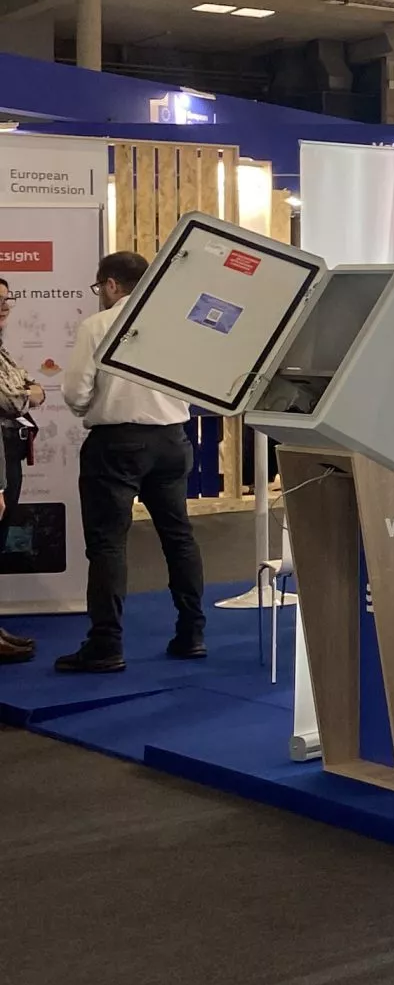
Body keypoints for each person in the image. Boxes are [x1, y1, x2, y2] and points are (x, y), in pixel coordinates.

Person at [56, 252, 207, 674]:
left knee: (108, 542)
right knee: (179, 536)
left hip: (117, 443)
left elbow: (75, 391)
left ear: (111, 284)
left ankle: (106, 644)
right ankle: (192, 633)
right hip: (172, 438)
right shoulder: (178, 324)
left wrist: (90, 407)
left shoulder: (98, 325)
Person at [0, 277, 45, 665]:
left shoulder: (2, 349)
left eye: (6, 300)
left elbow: (28, 384)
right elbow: (13, 398)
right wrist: (28, 392)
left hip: (7, 454)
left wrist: (28, 390)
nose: (4, 307)